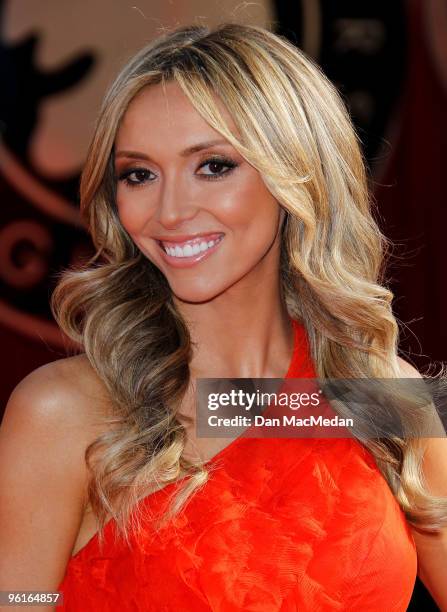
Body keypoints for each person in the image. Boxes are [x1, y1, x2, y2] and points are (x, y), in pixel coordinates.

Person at [1, 22, 446, 612]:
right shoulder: (64, 414)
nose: (171, 211)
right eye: (139, 174)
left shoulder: (380, 396)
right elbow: (19, 600)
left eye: (212, 166)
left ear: (298, 174)